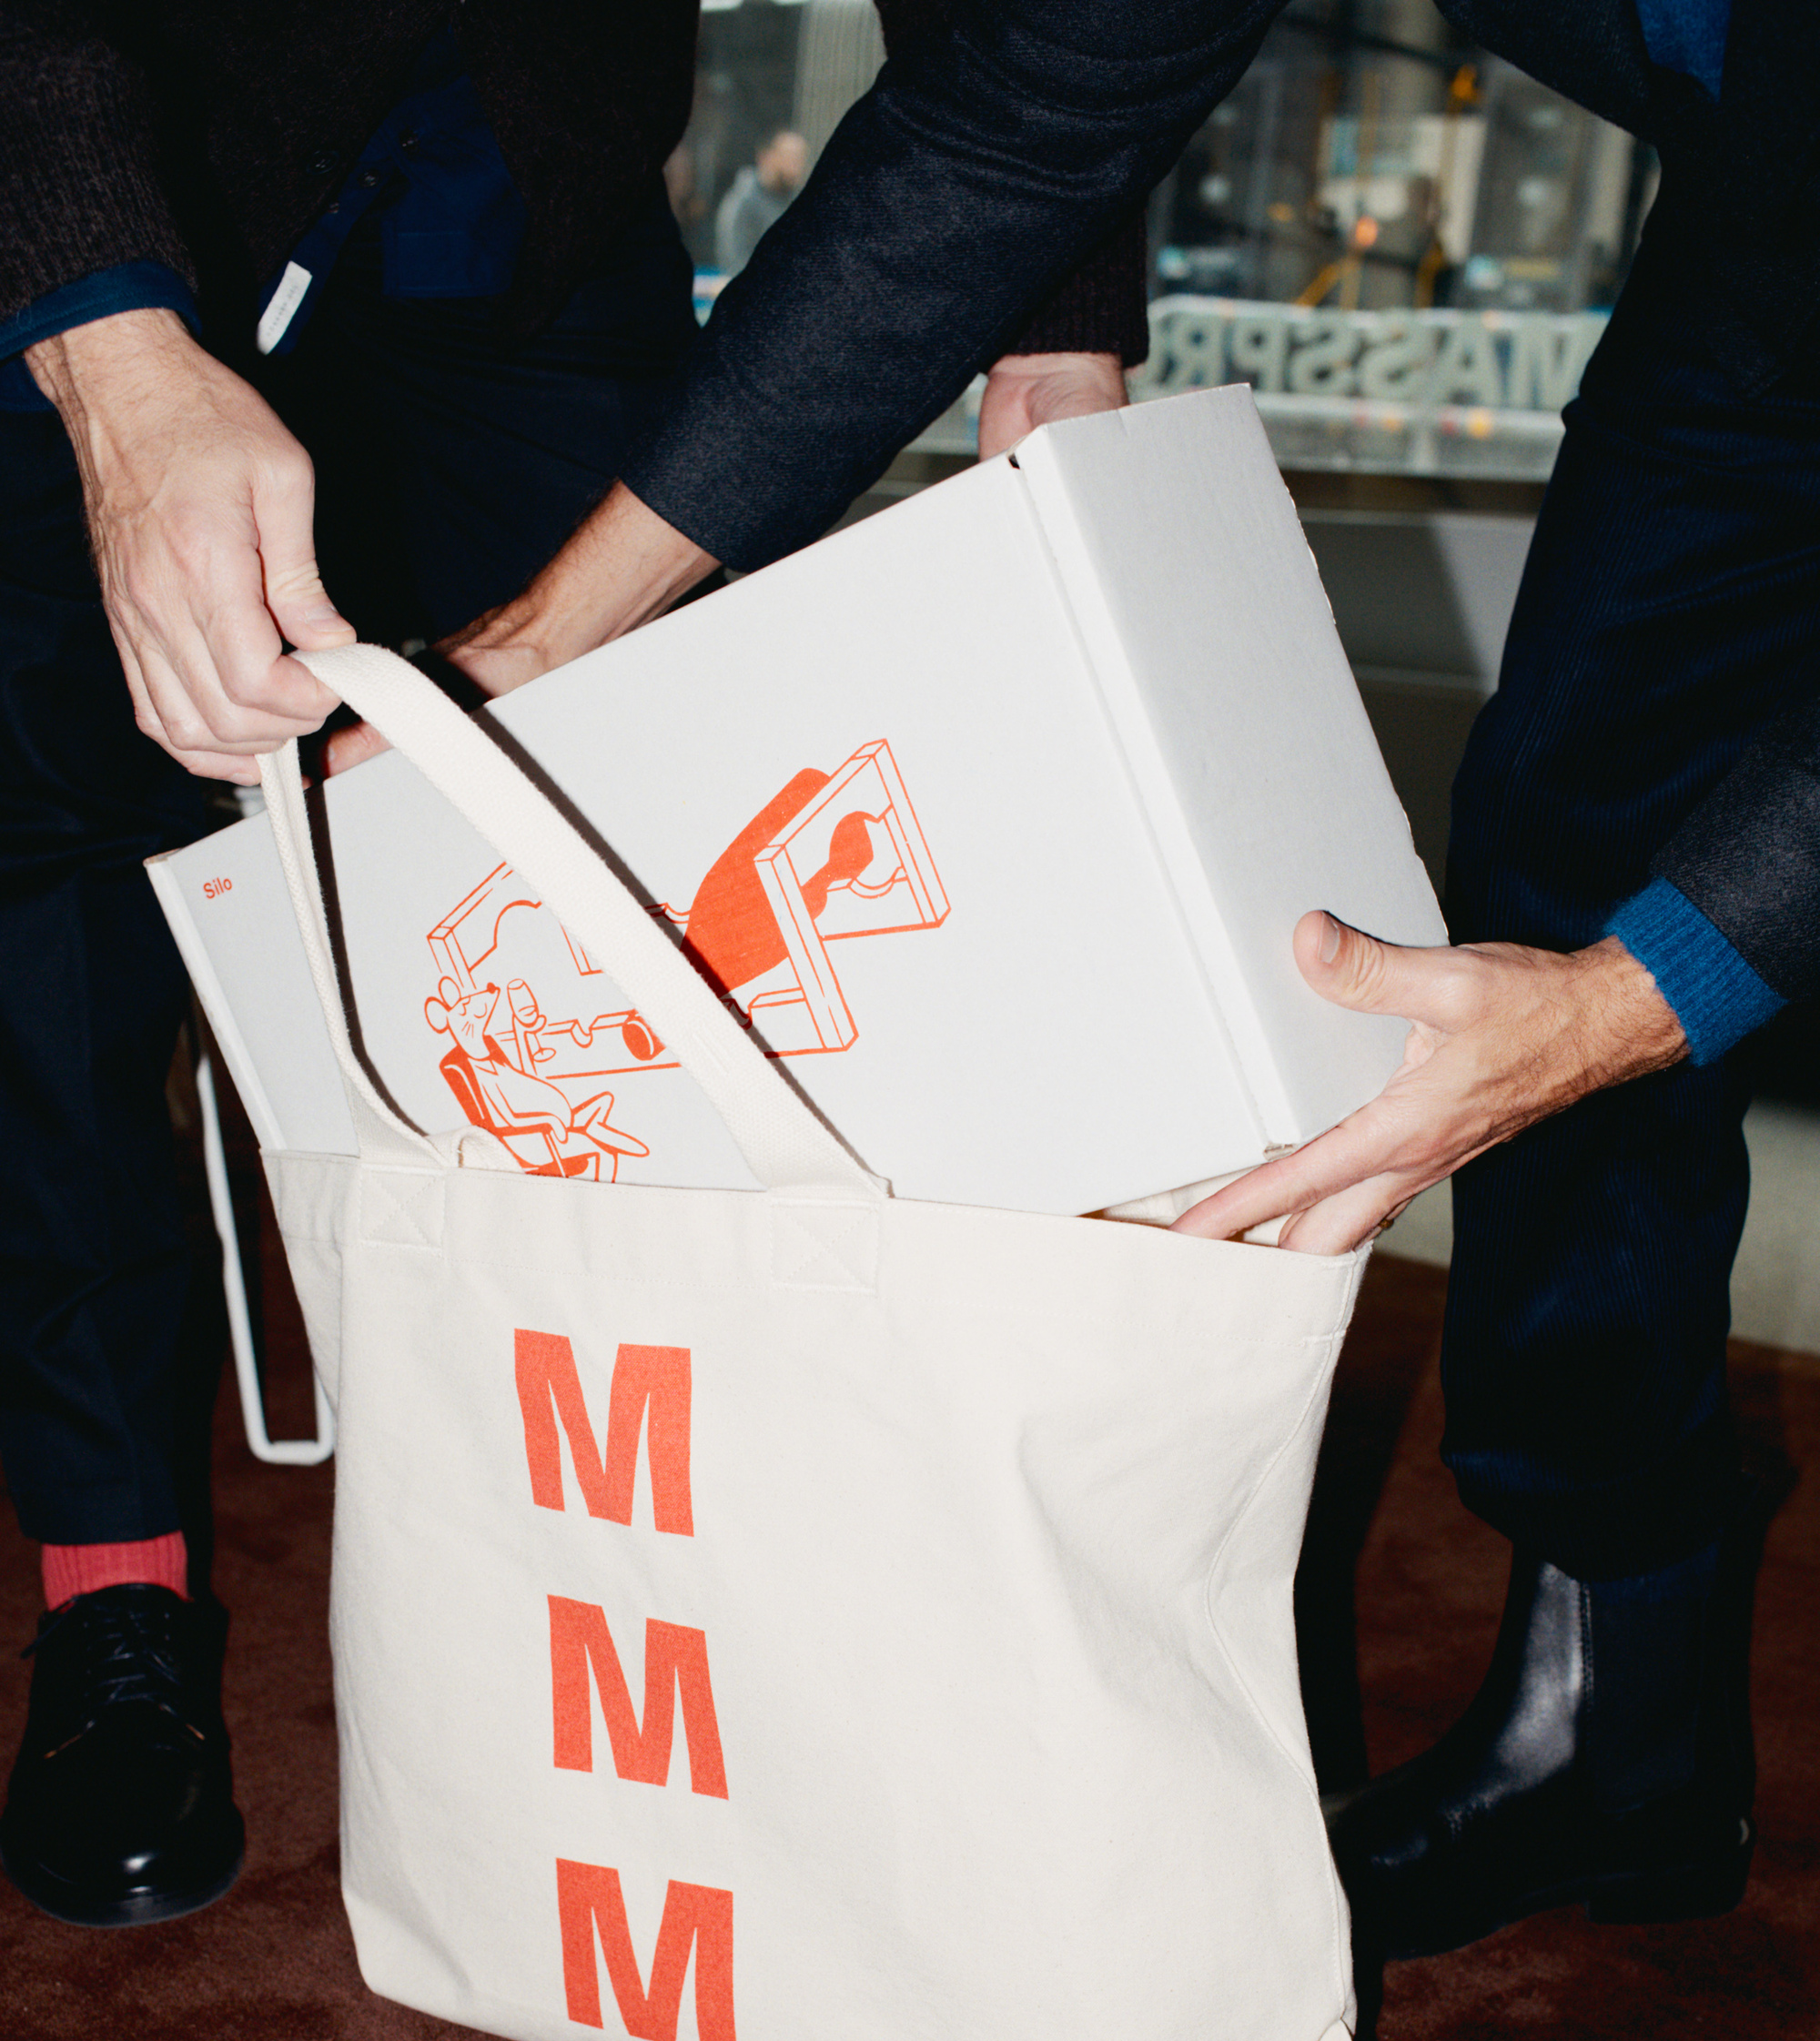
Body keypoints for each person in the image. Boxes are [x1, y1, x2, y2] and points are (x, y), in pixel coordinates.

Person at [323, 0, 1812, 1965]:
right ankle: (1614, 1699)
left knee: (1647, 939)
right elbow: (994, 138)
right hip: (1763, 196)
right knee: (1569, 821)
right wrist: (516, 657)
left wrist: (1638, 995)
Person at [0, 0, 1143, 1930]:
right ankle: (116, 1591)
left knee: (635, 905)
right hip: (102, 197)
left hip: (525, 229)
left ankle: (640, 1594)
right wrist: (108, 345)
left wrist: (1057, 298)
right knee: (52, 931)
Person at [714, 130, 812, 278]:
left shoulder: (800, 203)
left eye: (800, 158)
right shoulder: (742, 201)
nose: (796, 166)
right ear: (766, 157)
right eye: (790, 157)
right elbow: (733, 261)